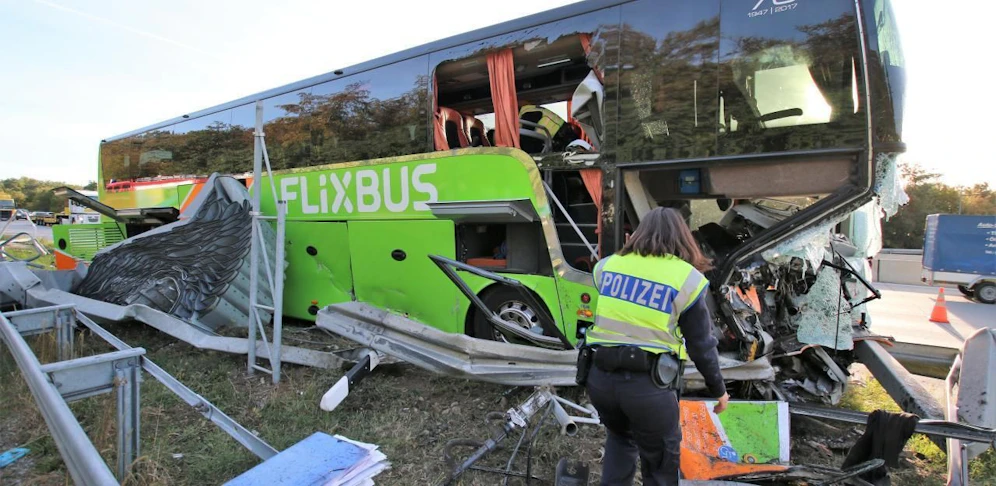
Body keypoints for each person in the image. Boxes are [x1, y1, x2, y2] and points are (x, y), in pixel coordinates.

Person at [581, 206, 729, 486]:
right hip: (648, 388)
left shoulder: (607, 266)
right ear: (683, 237)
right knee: (661, 462)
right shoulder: (687, 279)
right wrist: (719, 390)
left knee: (620, 441)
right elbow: (701, 345)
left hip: (600, 381)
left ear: (638, 234)